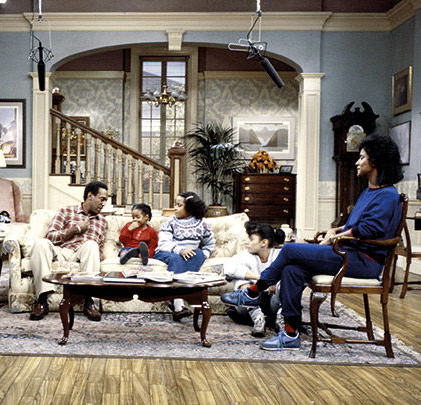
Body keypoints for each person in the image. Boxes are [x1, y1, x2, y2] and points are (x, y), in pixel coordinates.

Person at [221, 134, 403, 351]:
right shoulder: (369, 192)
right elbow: (357, 225)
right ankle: (290, 334)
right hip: (348, 254)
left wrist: (335, 237)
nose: (357, 161)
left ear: (374, 162)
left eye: (362, 157)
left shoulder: (388, 195)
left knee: (288, 249)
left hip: (363, 261)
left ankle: (253, 292)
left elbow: (370, 229)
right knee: (291, 270)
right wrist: (336, 231)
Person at [29, 181, 109, 321]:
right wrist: (76, 229)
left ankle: (88, 301)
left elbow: (99, 248)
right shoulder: (66, 211)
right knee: (41, 243)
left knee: (91, 245)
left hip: (83, 253)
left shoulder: (102, 221)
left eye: (105, 201)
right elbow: (51, 236)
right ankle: (42, 300)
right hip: (61, 251)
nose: (103, 204)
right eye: (102, 199)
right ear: (90, 196)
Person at [154, 191, 215, 321]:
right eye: (175, 204)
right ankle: (178, 304)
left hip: (189, 256)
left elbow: (209, 244)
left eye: (179, 205)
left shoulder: (202, 223)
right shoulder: (170, 222)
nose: (175, 208)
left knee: (198, 254)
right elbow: (164, 243)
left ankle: (176, 297)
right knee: (176, 258)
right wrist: (180, 250)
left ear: (190, 208)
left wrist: (205, 253)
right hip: (167, 253)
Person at [222, 222, 285, 337]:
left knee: (285, 279)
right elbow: (227, 268)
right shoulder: (245, 255)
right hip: (250, 306)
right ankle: (258, 319)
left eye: (251, 239)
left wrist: (274, 283)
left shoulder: (278, 254)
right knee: (240, 280)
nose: (247, 242)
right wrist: (262, 280)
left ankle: (282, 320)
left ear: (263, 243)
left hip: (274, 303)